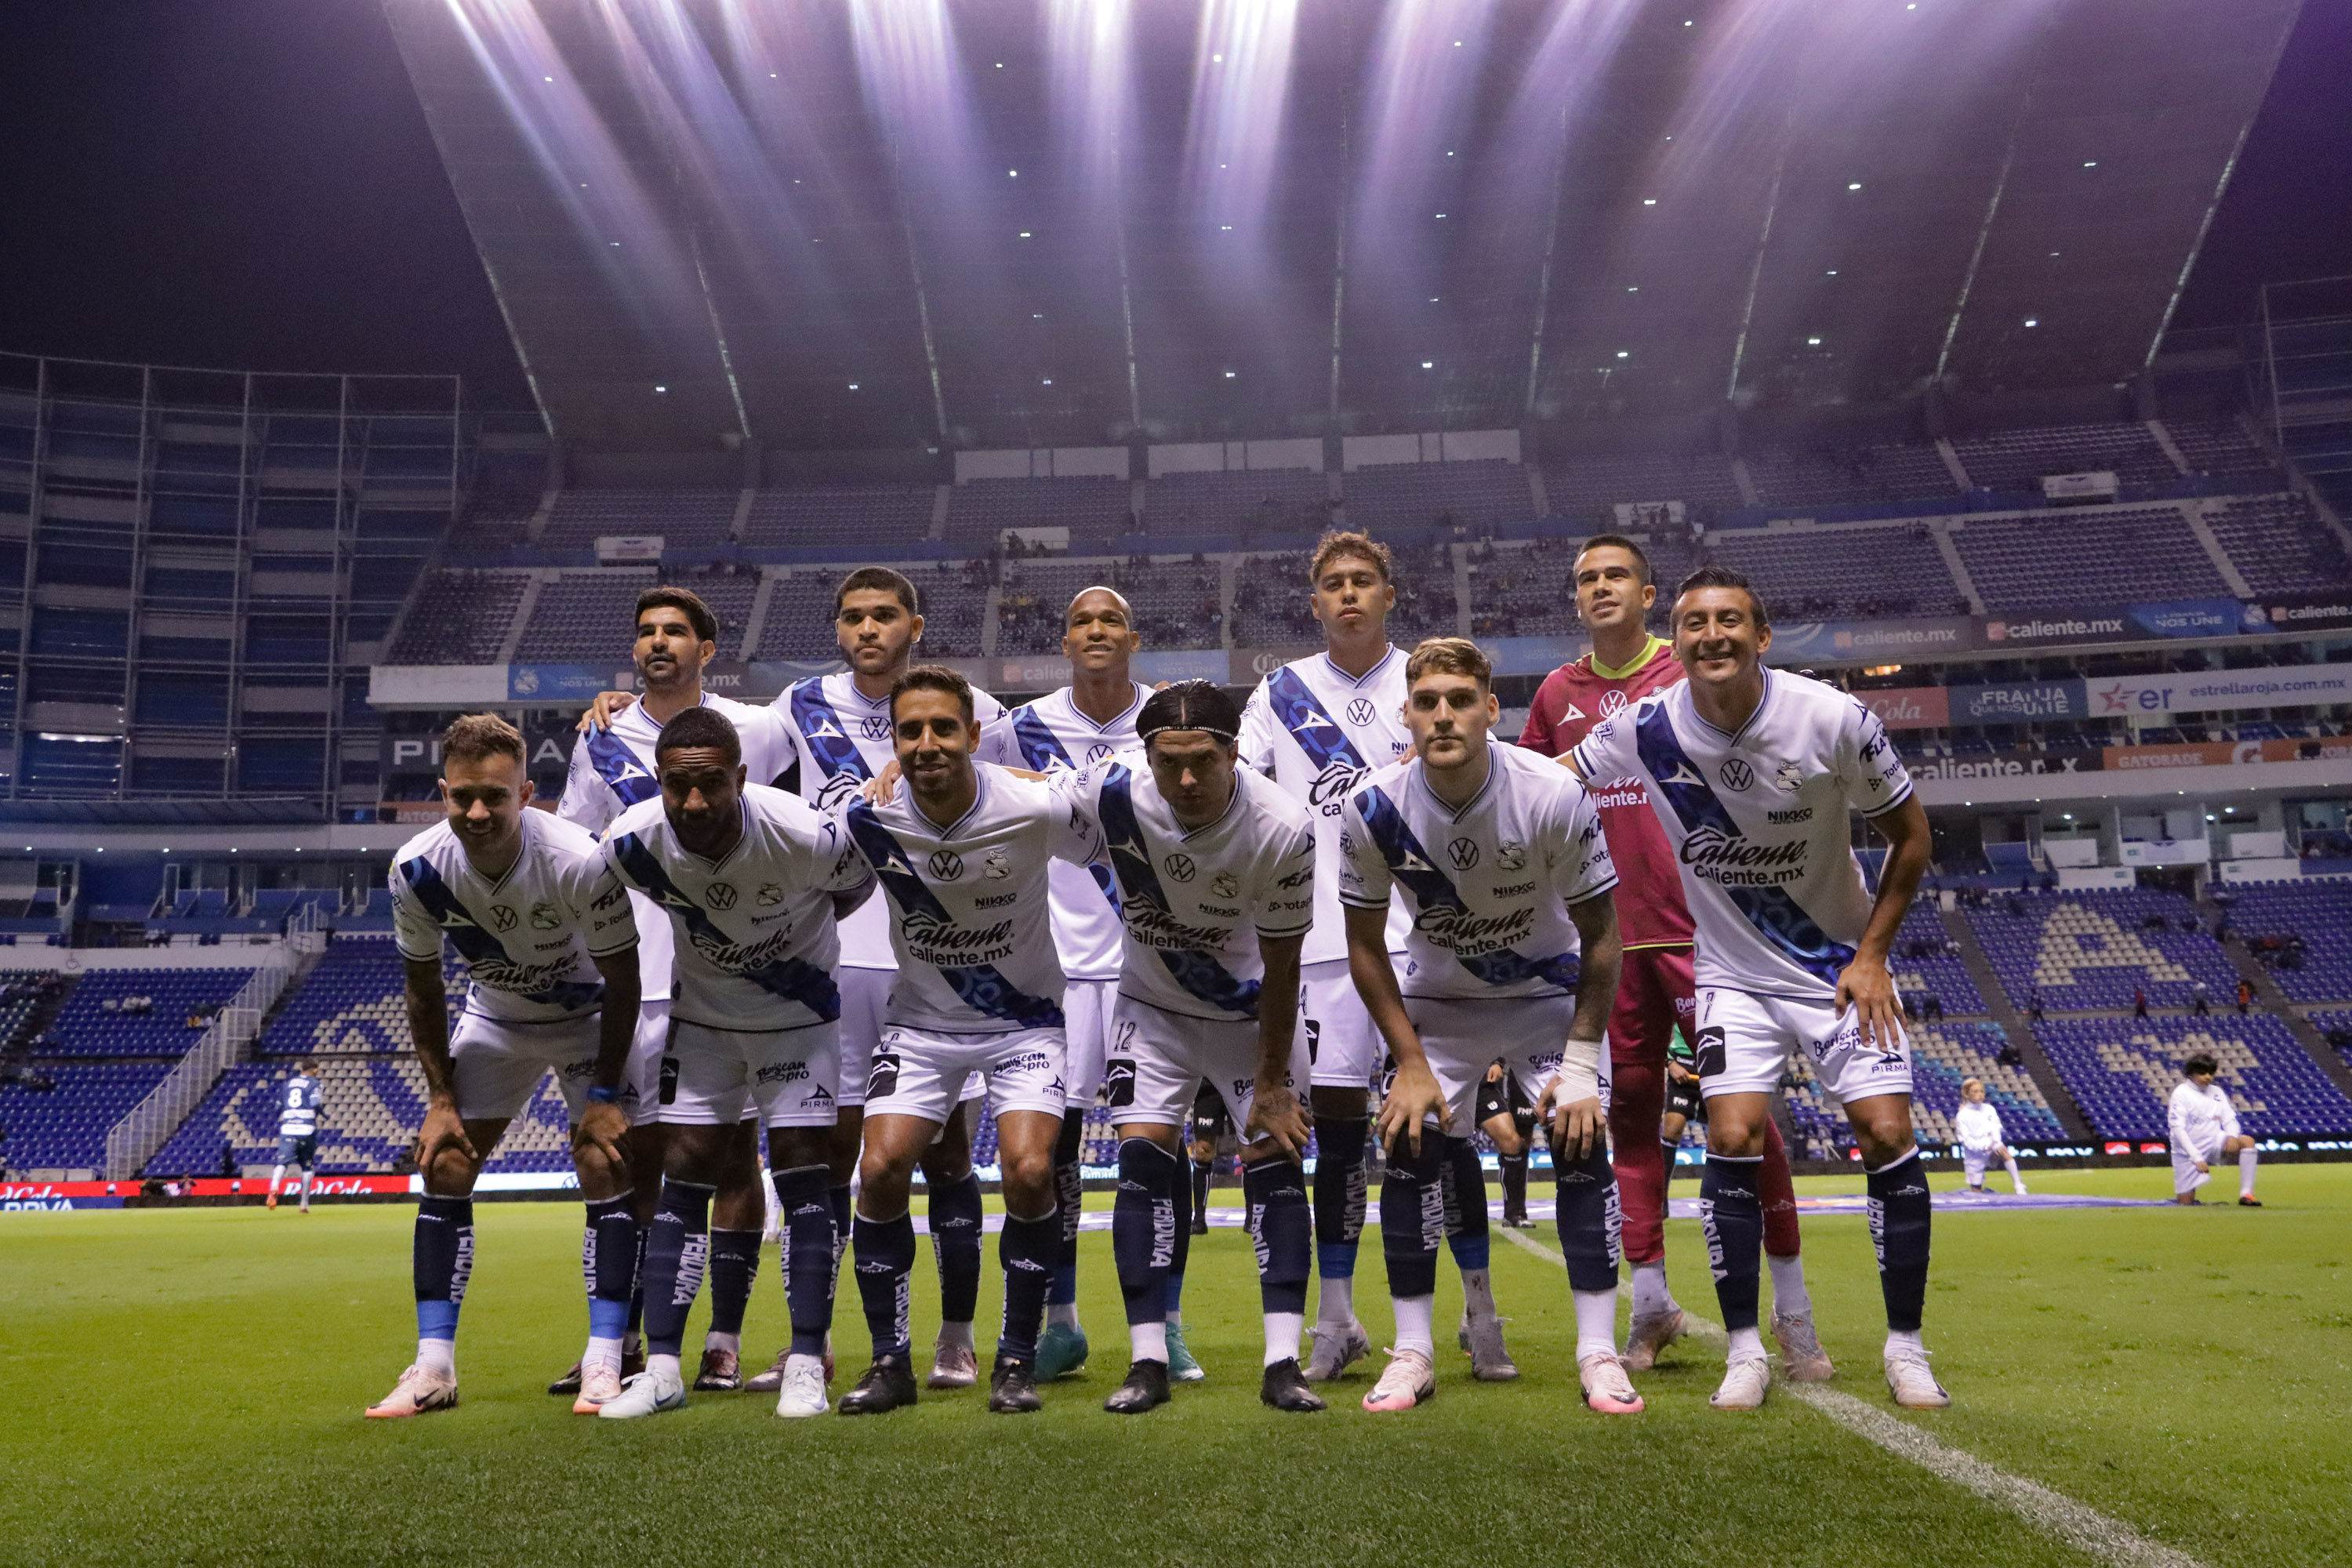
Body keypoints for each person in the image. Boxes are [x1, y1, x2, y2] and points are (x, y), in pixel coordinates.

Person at [1563, 564, 1947, 1410]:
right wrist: (1454, 760)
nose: (1713, 636)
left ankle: (1907, 1346)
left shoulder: (1830, 715)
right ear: (1680, 639)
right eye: (1696, 622)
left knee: (1886, 1134)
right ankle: (1747, 1350)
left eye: (1730, 620)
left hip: (1834, 968)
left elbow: (1913, 836)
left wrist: (1874, 954)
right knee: (1732, 1131)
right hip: (1731, 973)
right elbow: (1553, 775)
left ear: (1761, 635)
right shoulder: (1645, 727)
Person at [1519, 534, 1829, 1381]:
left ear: (1649, 592)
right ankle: (1650, 1301)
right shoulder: (1556, 693)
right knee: (1627, 1122)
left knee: (1747, 1123)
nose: (1601, 587)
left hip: (1709, 930)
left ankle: (1793, 1310)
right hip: (1608, 941)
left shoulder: (1690, 668)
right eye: (1586, 578)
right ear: (1575, 598)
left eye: (1616, 573)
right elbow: (1531, 796)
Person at [1339, 637, 1640, 1414]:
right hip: (1438, 1006)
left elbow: (1603, 935)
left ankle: (1597, 1351)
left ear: (1488, 710)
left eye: (1460, 699)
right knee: (1407, 1141)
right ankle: (1414, 1352)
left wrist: (1579, 1063)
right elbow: (1365, 947)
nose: (1444, 715)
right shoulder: (1370, 807)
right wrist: (1407, 1061)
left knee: (1580, 1137)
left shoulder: (1551, 792)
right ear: (1405, 713)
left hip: (1546, 998)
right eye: (1428, 701)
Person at [836, 666, 1105, 1415]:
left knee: (1026, 1171)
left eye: (943, 729)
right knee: (881, 1167)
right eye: (910, 731)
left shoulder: (1032, 806)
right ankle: (890, 1362)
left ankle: (1014, 1362)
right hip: (920, 1025)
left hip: (1024, 1024)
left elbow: (1115, 835)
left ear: (974, 736)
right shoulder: (869, 817)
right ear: (892, 741)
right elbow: (807, 878)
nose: (927, 745)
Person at [594, 707, 877, 1418]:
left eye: (711, 785)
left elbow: (859, 884)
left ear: (741, 778)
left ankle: (807, 1362)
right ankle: (661, 1370)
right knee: (682, 1182)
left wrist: (797, 941)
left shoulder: (802, 833)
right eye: (677, 786)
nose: (694, 802)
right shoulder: (631, 843)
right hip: (706, 1025)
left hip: (798, 1022)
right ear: (657, 781)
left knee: (806, 1182)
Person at [764, 568, 1004, 1392]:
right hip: (829, 959)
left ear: (916, 625)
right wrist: (623, 706)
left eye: (886, 615)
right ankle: (818, 1342)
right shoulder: (796, 707)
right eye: (855, 617)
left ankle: (958, 1338)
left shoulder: (976, 713)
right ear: (838, 629)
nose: (870, 629)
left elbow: (1013, 801)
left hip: (936, 957)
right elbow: (716, 752)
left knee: (943, 1152)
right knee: (842, 1158)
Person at [365, 715, 642, 1420]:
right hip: (497, 1019)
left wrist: (605, 1094)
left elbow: (625, 981)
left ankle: (605, 1362)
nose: (478, 813)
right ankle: (433, 1368)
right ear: (444, 793)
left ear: (527, 792)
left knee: (604, 1163)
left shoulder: (579, 858)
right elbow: (422, 989)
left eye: (495, 797)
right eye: (462, 798)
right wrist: (440, 1099)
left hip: (588, 1022)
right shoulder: (417, 869)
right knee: (447, 1163)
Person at [1058, 681, 1324, 1414]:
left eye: (1202, 762)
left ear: (1235, 752)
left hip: (1252, 1015)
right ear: (1143, 756)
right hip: (1152, 1010)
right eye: (1166, 762)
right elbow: (1024, 795)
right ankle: (1147, 1362)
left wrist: (1271, 1082)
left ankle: (1282, 1364)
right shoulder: (1113, 794)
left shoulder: (1281, 824)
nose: (1184, 780)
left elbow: (1284, 964)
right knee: (1140, 1168)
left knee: (1274, 1163)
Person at [557, 586, 794, 1396]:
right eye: (647, 632)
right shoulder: (600, 736)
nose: (659, 642)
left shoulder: (760, 727)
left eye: (676, 632)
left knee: (732, 1158)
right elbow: (576, 854)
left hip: (731, 976)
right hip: (631, 977)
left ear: (707, 649)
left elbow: (791, 827)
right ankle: (618, 1342)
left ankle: (723, 1341)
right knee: (636, 1164)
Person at [1236, 532, 1415, 1383]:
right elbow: (1241, 783)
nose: (1349, 594)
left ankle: (1464, 1315)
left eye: (1363, 581)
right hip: (1315, 937)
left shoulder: (1427, 679)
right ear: (1315, 604)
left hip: (1425, 930)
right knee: (1332, 1124)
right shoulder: (1281, 690)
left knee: (1434, 1135)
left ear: (1388, 593)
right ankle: (1335, 1315)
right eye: (1333, 584)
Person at [978, 586, 1153, 1383]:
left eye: (1109, 619)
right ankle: (1061, 1319)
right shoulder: (1019, 725)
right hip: (1051, 965)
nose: (1095, 631)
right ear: (1064, 637)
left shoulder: (1165, 720)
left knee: (1153, 1152)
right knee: (1050, 1158)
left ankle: (1166, 1325)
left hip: (1151, 959)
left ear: (1133, 637)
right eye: (1080, 619)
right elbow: (943, 765)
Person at [2169, 1052, 2260, 1207]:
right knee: (2186, 1203)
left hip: (2213, 1141)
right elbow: (2178, 1129)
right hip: (2187, 1151)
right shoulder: (2181, 1093)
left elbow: (2229, 1118)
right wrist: (2196, 1157)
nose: (2208, 1077)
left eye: (2211, 1073)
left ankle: (2246, 1195)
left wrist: (2231, 1136)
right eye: (2203, 1073)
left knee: (2247, 1141)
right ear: (2191, 1073)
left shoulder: (2217, 1092)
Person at [1475, 1061, 1536, 1228]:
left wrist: (1496, 1062)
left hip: (1480, 1081)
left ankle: (1514, 1213)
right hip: (1442, 1079)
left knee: (1512, 1142)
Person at [1952, 1078, 2027, 1196]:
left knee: (2003, 1151)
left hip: (1991, 1143)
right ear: (1967, 1094)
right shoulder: (1962, 1115)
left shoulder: (1989, 1109)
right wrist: (1984, 1147)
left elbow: (1996, 1127)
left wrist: (1996, 1142)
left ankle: (2019, 1185)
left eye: (1981, 1091)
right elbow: (1965, 1140)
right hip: (1975, 1153)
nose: (1979, 1095)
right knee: (1976, 1190)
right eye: (1975, 1092)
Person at [267, 1061, 321, 1214]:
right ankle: (303, 1204)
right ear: (315, 1070)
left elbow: (278, 1106)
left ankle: (274, 1187)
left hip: (288, 1128)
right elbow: (315, 1102)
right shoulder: (314, 1083)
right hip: (307, 1128)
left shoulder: (288, 1084)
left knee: (282, 1163)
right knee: (307, 1167)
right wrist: (323, 1113)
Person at [1659, 1028, 1704, 1187]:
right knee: (1672, 1129)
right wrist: (1670, 1062)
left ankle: (1718, 1200)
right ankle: (1661, 1198)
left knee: (1722, 1136)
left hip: (1712, 1062)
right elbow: (1656, 1026)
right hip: (1681, 1064)